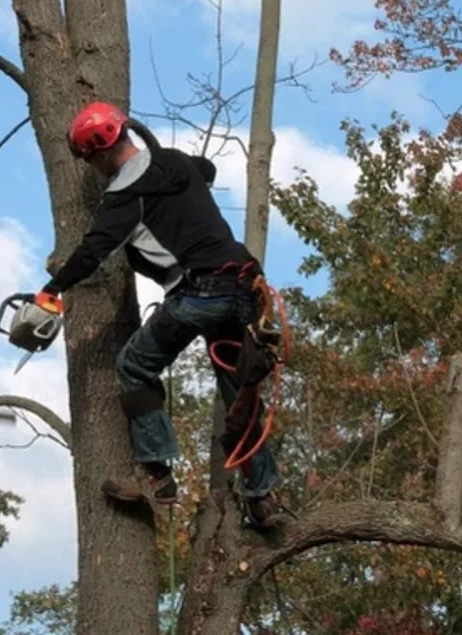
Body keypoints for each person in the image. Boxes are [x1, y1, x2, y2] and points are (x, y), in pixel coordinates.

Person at [40, 101, 281, 528]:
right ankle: (262, 499)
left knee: (133, 366)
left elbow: (94, 250)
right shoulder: (175, 163)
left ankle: (156, 475)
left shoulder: (124, 197)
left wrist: (52, 290)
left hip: (199, 293)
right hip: (246, 290)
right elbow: (205, 170)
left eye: (91, 160)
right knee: (238, 396)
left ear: (97, 153)